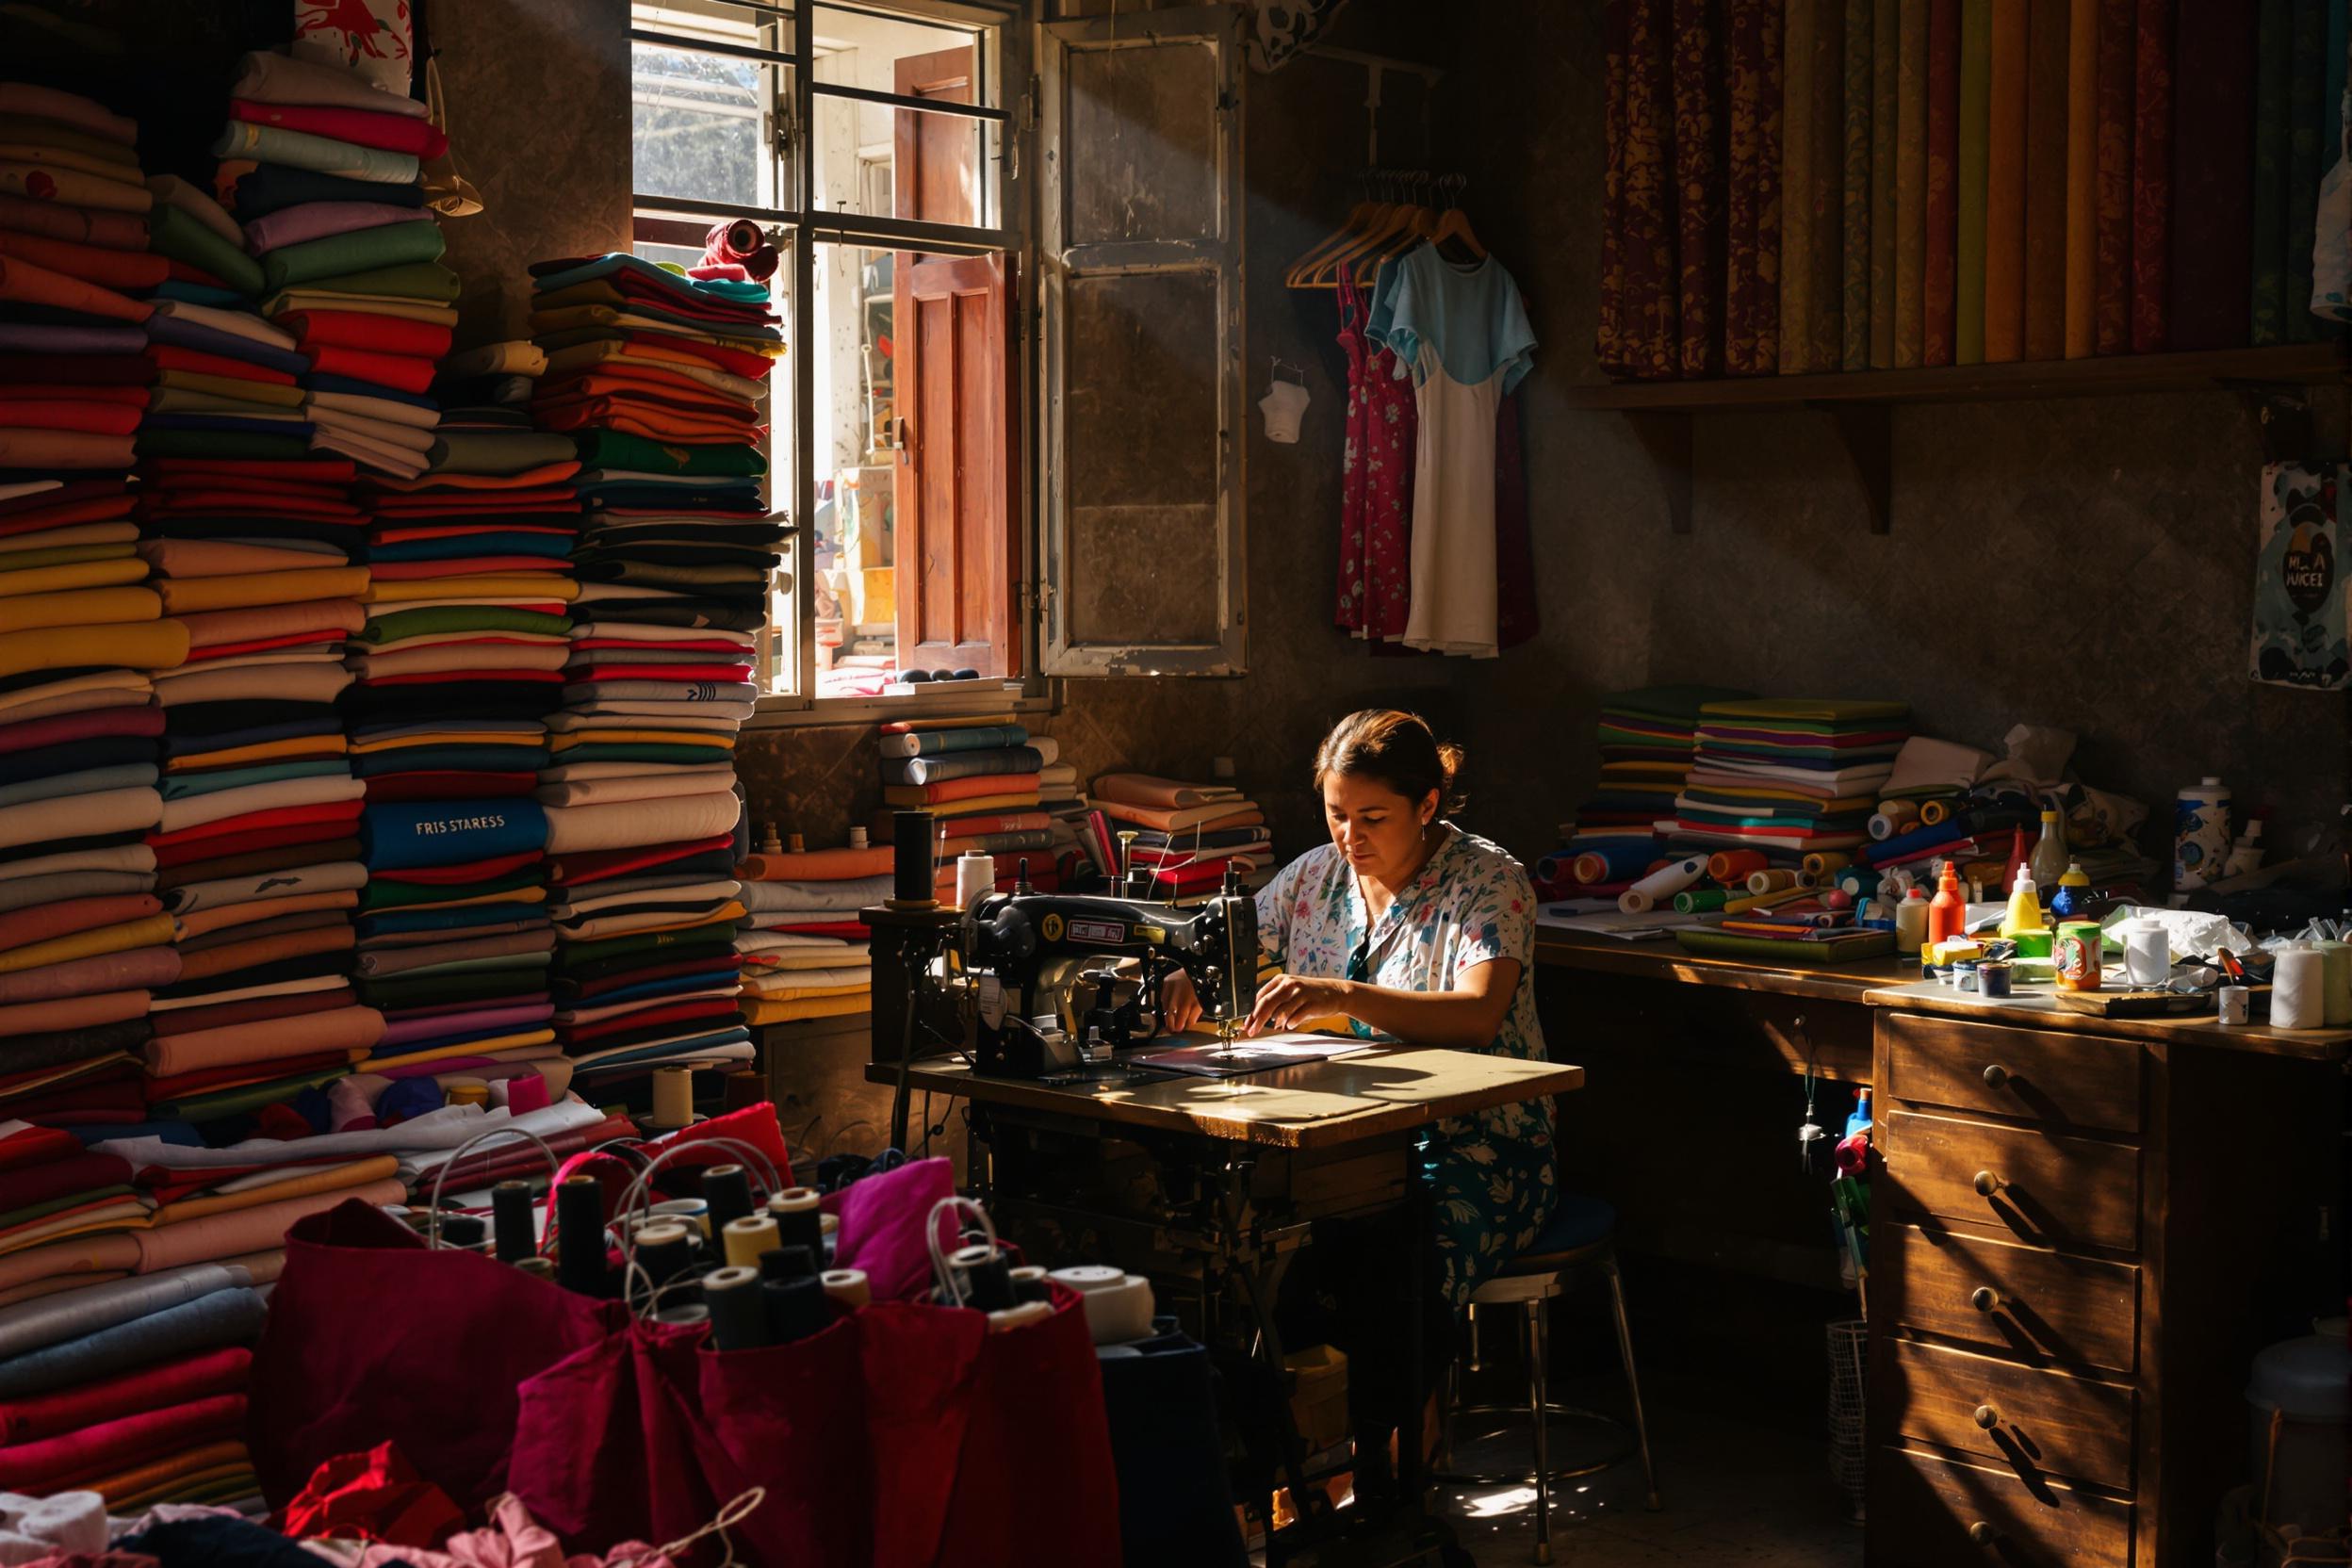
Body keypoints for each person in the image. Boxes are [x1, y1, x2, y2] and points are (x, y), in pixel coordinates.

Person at [1162, 708, 1557, 1311]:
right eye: (1337, 815)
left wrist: (1340, 996)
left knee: (1395, 1263)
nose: (1350, 837)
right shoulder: (1314, 878)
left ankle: (1401, 1407)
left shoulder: (1488, 881)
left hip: (1471, 1146)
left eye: (1373, 818)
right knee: (1249, 1248)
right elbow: (1228, 949)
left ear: (1427, 806)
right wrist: (1188, 969)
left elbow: (1479, 1014)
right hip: (1344, 1146)